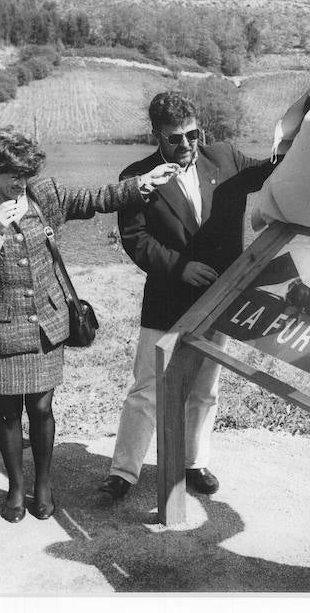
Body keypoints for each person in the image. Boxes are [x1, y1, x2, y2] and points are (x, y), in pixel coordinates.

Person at [0, 128, 175, 523]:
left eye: (27, 175)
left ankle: (45, 484)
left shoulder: (42, 195)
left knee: (41, 407)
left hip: (46, 324)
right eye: (14, 177)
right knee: (7, 414)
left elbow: (95, 198)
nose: (21, 184)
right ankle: (16, 488)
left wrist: (139, 184)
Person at [98, 92, 278, 501]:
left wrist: (308, 127)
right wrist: (180, 267)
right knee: (147, 387)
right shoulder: (136, 176)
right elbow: (136, 240)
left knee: (205, 387)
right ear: (156, 136)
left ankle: (193, 462)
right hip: (166, 297)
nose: (186, 146)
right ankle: (123, 472)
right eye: (175, 138)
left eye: (193, 135)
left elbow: (272, 171)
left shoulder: (226, 157)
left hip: (219, 297)